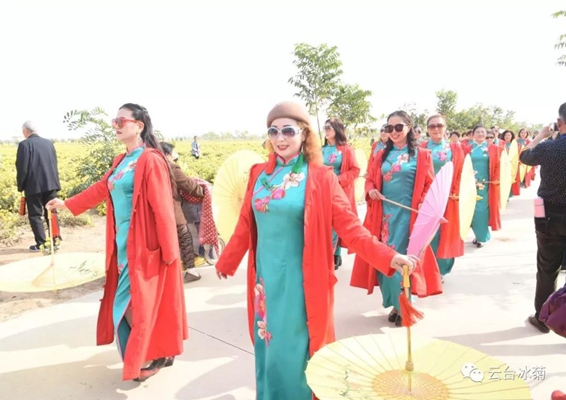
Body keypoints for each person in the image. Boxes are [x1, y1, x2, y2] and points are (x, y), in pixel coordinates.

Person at [214, 101, 419, 400]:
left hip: (302, 283)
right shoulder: (259, 174)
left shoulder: (321, 178)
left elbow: (351, 228)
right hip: (265, 282)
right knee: (268, 346)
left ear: (304, 134)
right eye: (273, 131)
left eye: (288, 131)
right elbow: (246, 223)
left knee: (297, 350)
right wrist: (227, 260)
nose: (280, 138)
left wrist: (389, 256)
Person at [46, 103, 187, 382]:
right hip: (121, 245)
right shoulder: (121, 161)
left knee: (133, 304)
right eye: (114, 121)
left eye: (122, 121)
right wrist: (66, 203)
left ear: (139, 126)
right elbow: (101, 188)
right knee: (131, 303)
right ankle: (153, 352)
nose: (116, 126)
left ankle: (148, 355)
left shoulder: (151, 159)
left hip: (144, 246)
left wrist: (170, 252)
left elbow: (162, 207)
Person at [351, 111, 442, 327]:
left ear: (409, 127)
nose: (394, 132)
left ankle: (404, 306)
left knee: (404, 262)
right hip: (384, 217)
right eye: (389, 128)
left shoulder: (422, 155)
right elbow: (370, 179)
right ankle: (395, 304)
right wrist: (371, 190)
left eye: (399, 127)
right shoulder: (381, 155)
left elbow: (429, 185)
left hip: (409, 218)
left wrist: (422, 204)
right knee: (385, 260)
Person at [519, 103, 566, 333]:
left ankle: (543, 317)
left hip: (549, 216)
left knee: (547, 268)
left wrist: (540, 136)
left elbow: (524, 156)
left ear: (559, 123)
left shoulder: (549, 147)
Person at [420, 115, 465, 278]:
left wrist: (456, 193)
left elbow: (460, 173)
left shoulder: (454, 148)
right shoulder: (421, 147)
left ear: (445, 128)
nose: (436, 129)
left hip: (446, 197)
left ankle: (440, 270)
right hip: (425, 198)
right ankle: (425, 269)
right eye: (432, 126)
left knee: (444, 233)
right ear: (427, 129)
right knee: (426, 233)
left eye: (439, 125)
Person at [160, 141, 204, 283]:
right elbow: (187, 184)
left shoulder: (154, 166)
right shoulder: (171, 167)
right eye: (173, 151)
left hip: (156, 211)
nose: (175, 154)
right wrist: (204, 191)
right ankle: (191, 271)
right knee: (185, 238)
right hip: (172, 210)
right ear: (167, 154)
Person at [16, 121, 62, 252]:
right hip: (51, 184)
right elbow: (54, 163)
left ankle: (42, 244)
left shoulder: (24, 144)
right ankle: (55, 241)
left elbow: (22, 167)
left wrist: (21, 186)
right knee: (51, 212)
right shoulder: (49, 143)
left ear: (26, 131)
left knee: (35, 215)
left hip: (33, 186)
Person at [322, 117, 360, 269]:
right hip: (322, 192)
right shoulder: (321, 150)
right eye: (325, 128)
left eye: (328, 128)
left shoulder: (346, 149)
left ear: (337, 130)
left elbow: (355, 170)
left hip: (338, 192)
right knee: (325, 223)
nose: (326, 131)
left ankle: (331, 255)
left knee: (335, 224)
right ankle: (332, 254)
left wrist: (338, 180)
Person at [461, 125, 503, 248]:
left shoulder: (493, 148)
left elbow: (498, 165)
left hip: (485, 185)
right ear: (473, 134)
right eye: (477, 132)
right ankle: (478, 235)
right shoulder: (467, 148)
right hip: (469, 184)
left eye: (482, 132)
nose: (480, 134)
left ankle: (483, 237)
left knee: (482, 210)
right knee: (471, 209)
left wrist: (496, 180)